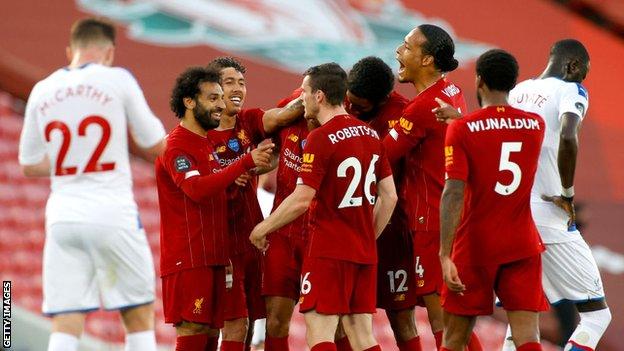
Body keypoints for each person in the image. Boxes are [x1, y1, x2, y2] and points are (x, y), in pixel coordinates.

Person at [18, 18, 165, 351]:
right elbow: (155, 142)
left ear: (70, 51)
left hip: (63, 217)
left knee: (65, 319)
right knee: (138, 313)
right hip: (111, 212)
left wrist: (71, 163)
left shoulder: (42, 89)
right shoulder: (116, 80)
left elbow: (28, 165)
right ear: (109, 52)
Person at [250, 62, 397, 351]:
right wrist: (369, 235)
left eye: (304, 92)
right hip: (361, 248)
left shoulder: (320, 138)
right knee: (361, 333)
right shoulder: (370, 136)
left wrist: (262, 227)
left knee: (320, 332)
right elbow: (389, 196)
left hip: (326, 246)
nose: (299, 98)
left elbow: (303, 198)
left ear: (318, 96)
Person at [502, 39, 611, 351]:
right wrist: (567, 192)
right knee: (596, 317)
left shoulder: (517, 91)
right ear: (573, 66)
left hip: (510, 213)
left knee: (522, 316)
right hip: (548, 216)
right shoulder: (570, 90)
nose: (582, 81)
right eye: (583, 74)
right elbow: (567, 133)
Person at [155, 66, 274, 350]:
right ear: (189, 101)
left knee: (211, 335)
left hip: (215, 257)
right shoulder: (176, 146)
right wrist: (243, 163)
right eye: (213, 98)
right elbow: (196, 190)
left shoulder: (205, 144)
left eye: (221, 98)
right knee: (195, 331)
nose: (221, 105)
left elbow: (215, 181)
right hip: (189, 259)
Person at [439, 49, 548, 351]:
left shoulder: (461, 130)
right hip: (521, 244)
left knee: (455, 339)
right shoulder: (535, 126)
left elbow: (453, 192)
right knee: (528, 337)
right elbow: (499, 138)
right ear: (513, 83)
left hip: (475, 246)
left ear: (479, 80)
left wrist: (444, 255)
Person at [381, 24, 482, 350]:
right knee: (456, 319)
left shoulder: (423, 108)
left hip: (431, 221)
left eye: (407, 46)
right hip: (451, 216)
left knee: (443, 322)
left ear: (425, 59)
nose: (399, 51)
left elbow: (381, 157)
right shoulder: (451, 92)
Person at [205, 57, 304, 351]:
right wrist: (232, 172)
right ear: (212, 89)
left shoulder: (249, 121)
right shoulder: (197, 133)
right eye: (229, 82)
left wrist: (310, 93)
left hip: (250, 238)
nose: (237, 89)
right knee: (222, 324)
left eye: (241, 83)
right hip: (217, 239)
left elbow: (282, 116)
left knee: (245, 320)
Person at [346, 56, 421, 351]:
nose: (352, 108)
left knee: (401, 318)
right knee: (343, 317)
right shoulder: (339, 103)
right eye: (350, 101)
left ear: (382, 99)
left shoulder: (403, 115)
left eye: (360, 105)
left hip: (392, 231)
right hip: (349, 228)